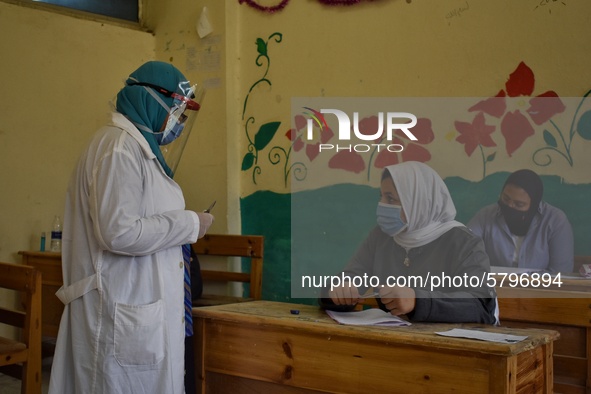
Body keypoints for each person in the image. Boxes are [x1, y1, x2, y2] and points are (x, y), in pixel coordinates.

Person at [48, 61, 214, 394]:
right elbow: (118, 232)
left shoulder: (134, 149)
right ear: (153, 100)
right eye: (178, 111)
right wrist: (190, 223)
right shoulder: (119, 148)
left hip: (135, 306)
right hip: (119, 310)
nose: (179, 122)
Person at [320, 161, 497, 324]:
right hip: (394, 341)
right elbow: (352, 278)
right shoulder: (382, 236)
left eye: (390, 199)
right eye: (381, 196)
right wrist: (336, 292)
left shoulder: (463, 242)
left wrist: (417, 302)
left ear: (417, 203)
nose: (381, 205)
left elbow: (479, 307)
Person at [467, 169, 573, 274]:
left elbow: (561, 274)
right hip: (494, 286)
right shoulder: (486, 216)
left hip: (540, 288)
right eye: (506, 199)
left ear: (534, 205)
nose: (510, 206)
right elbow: (464, 246)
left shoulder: (555, 221)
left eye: (519, 205)